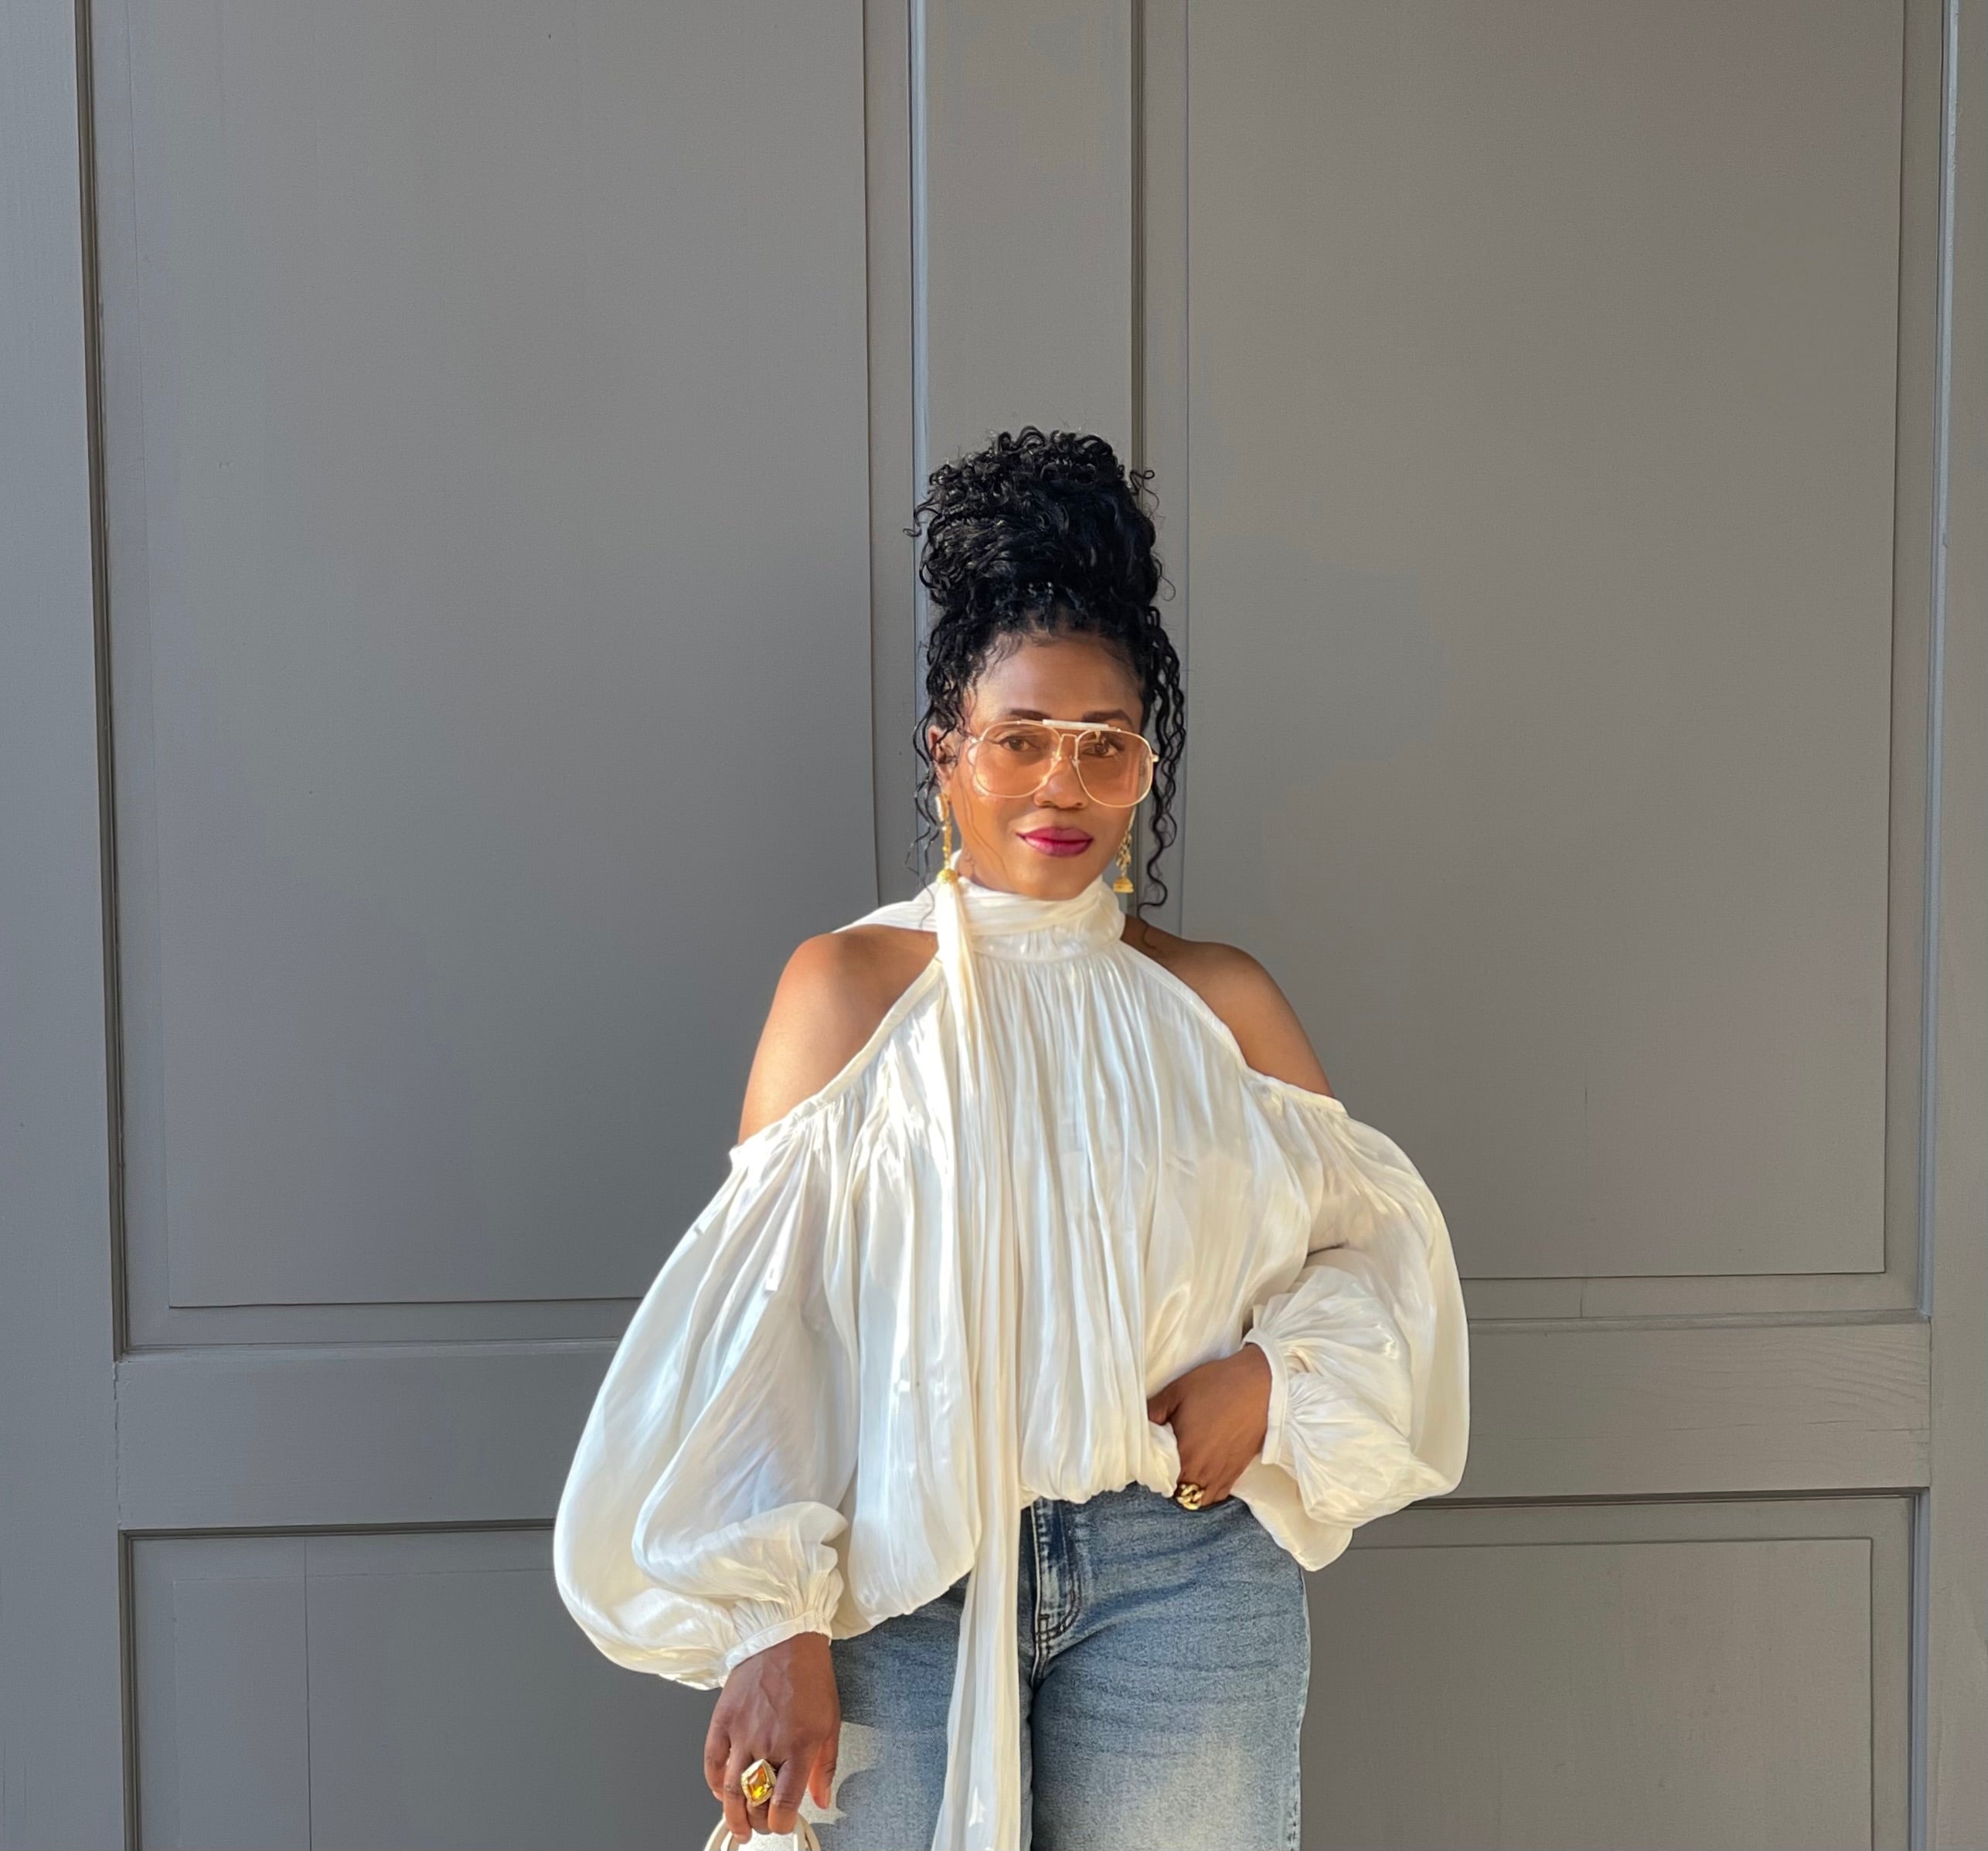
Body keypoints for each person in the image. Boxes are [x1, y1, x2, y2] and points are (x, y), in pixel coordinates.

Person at [552, 427, 1469, 1851]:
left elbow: (1385, 1265)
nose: (1060, 785)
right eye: (1021, 739)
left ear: (1145, 771)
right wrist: (770, 1617)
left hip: (1181, 1574)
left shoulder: (1217, 1004)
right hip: (888, 1586)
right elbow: (761, 1333)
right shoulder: (848, 993)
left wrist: (1277, 1384)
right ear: (947, 754)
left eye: (1105, 748)